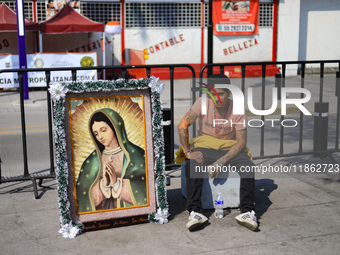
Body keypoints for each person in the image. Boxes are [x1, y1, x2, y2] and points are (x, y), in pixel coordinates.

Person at [177, 74, 257, 231]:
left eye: (220, 94)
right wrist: (188, 152)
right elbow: (182, 125)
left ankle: (247, 211)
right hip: (205, 145)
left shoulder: (238, 108)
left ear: (229, 93)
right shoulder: (202, 103)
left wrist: (221, 161)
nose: (216, 98)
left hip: (229, 147)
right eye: (212, 94)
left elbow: (241, 142)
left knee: (248, 166)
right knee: (192, 165)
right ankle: (195, 212)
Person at [76, 108, 147, 214]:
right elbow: (83, 194)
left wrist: (116, 183)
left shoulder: (135, 155)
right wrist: (103, 184)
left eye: (103, 130)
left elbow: (144, 189)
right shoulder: (92, 161)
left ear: (115, 128)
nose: (100, 137)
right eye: (95, 134)